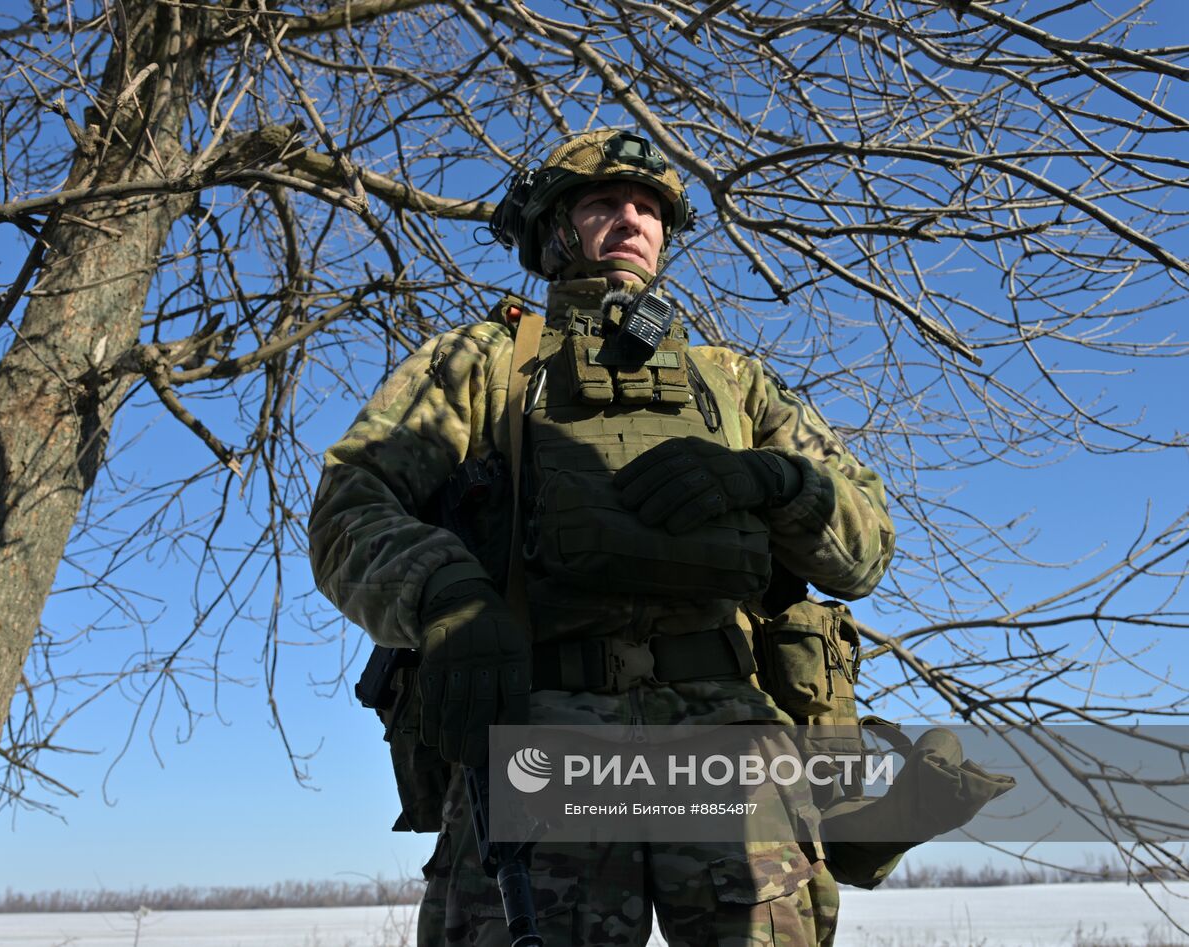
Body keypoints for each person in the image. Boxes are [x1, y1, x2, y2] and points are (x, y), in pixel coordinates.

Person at [308, 129, 896, 946]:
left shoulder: (733, 381)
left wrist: (779, 482)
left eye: (650, 207)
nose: (631, 219)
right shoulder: (485, 364)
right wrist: (446, 594)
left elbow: (866, 551)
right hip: (545, 732)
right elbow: (349, 506)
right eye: (603, 202)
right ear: (554, 231)